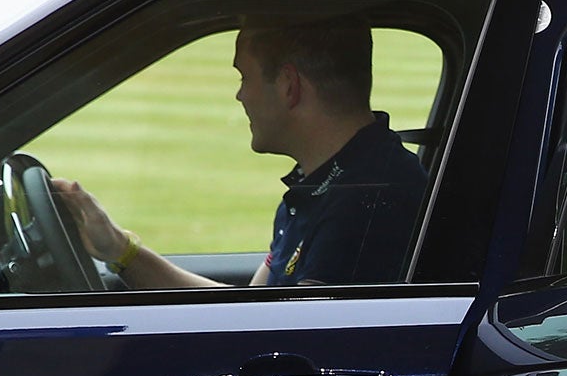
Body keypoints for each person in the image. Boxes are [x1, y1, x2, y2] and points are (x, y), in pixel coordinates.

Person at [51, 21, 425, 290]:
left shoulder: (367, 202)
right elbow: (248, 313)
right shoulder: (331, 183)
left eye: (244, 77)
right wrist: (120, 250)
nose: (240, 95)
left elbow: (284, 344)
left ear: (289, 86)